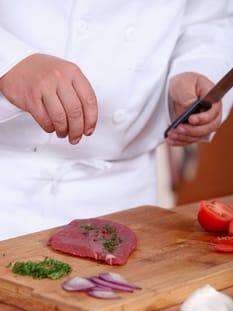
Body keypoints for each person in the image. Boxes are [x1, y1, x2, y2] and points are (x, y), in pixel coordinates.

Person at [0, 1, 232, 240]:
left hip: (126, 197)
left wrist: (196, 69)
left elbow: (211, 18)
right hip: (7, 184)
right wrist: (9, 64)